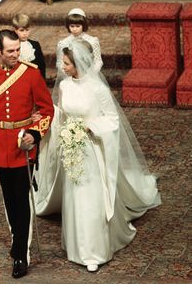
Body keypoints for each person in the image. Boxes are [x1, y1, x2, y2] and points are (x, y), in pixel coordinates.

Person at [33, 39, 161, 272]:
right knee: (73, 196)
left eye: (67, 64)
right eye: (63, 63)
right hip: (70, 147)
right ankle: (75, 246)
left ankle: (95, 251)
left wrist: (91, 127)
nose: (63, 68)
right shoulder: (64, 87)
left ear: (79, 63)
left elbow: (112, 119)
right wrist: (46, 119)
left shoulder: (98, 89)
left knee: (89, 198)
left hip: (91, 148)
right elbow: (61, 113)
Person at [0, 29, 54, 279]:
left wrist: (35, 134)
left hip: (24, 147)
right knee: (9, 197)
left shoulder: (30, 73)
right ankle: (19, 240)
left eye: (18, 50)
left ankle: (20, 252)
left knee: (21, 197)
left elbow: (47, 108)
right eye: (10, 51)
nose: (16, 55)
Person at [53, 8, 103, 103]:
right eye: (72, 26)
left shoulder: (92, 41)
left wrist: (88, 76)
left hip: (89, 77)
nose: (75, 29)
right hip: (70, 78)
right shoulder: (63, 43)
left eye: (78, 26)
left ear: (83, 25)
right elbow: (59, 62)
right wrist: (71, 76)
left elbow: (98, 61)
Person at [12, 13, 46, 79]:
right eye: (21, 30)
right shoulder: (11, 46)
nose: (25, 33)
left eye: (27, 30)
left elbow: (41, 66)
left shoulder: (35, 45)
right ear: (15, 30)